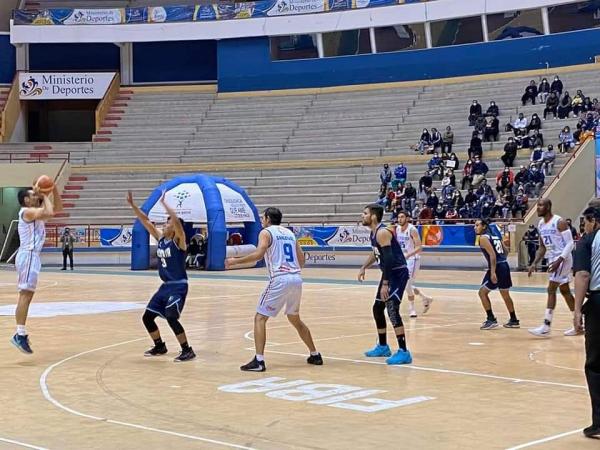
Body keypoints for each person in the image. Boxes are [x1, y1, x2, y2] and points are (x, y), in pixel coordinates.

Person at [226, 207, 322, 372]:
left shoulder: (266, 232)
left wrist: (235, 261)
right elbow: (302, 259)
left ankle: (259, 360)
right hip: (296, 279)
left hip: (280, 278)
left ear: (268, 219)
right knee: (295, 319)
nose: (262, 220)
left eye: (263, 217)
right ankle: (315, 354)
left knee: (260, 318)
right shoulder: (290, 233)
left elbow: (259, 254)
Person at [127, 191, 196, 362]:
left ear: (175, 227)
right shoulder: (160, 239)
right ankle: (160, 345)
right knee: (147, 317)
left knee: (171, 316)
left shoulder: (179, 241)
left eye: (168, 222)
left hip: (179, 285)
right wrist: (133, 206)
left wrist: (166, 205)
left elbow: (178, 226)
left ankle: (187, 350)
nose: (164, 225)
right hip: (165, 286)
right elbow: (145, 221)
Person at [11, 182, 63, 354]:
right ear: (26, 199)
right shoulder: (27, 212)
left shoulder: (36, 214)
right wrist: (45, 195)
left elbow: (56, 210)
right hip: (28, 256)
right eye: (33, 194)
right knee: (25, 295)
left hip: (33, 257)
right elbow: (48, 211)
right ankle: (19, 334)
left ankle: (21, 333)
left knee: (28, 295)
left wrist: (54, 189)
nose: (36, 196)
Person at [358, 204, 412, 365]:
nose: (362, 216)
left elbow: (388, 259)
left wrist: (385, 284)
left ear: (373, 217)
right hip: (389, 272)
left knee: (392, 308)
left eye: (365, 213)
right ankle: (383, 346)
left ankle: (404, 351)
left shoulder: (382, 232)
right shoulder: (374, 233)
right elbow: (376, 254)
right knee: (377, 308)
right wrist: (363, 267)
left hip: (397, 273)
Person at [528, 199, 579, 337]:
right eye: (537, 205)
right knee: (565, 291)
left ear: (548, 207)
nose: (538, 208)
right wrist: (534, 263)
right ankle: (580, 323)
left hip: (563, 258)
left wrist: (559, 260)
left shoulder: (559, 222)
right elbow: (542, 247)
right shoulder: (540, 224)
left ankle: (546, 326)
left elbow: (570, 244)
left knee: (551, 289)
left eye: (541, 205)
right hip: (553, 258)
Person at [573, 206, 600, 439]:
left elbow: (582, 275)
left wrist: (576, 310)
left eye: (586, 221)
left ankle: (599, 423)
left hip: (599, 303)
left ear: (593, 221)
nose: (584, 226)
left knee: (595, 364)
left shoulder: (587, 242)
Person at [474, 219, 520, 330]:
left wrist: (493, 272)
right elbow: (506, 251)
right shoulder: (495, 236)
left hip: (497, 267)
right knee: (505, 294)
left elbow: (492, 256)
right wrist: (502, 260)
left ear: (484, 226)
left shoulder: (483, 238)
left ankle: (491, 319)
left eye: (477, 225)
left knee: (482, 293)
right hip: (504, 265)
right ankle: (513, 319)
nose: (475, 227)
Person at [395, 211, 434, 318]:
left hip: (413, 259)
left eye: (402, 217)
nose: (400, 219)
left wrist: (408, 255)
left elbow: (419, 247)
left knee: (407, 284)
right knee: (408, 284)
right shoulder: (398, 229)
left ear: (407, 218)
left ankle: (412, 309)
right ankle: (425, 298)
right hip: (402, 259)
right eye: (398, 217)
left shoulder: (412, 229)